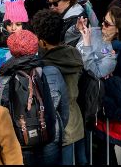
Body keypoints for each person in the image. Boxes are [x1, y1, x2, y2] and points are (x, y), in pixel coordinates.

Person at [0, 29, 68, 165]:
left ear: (11, 49)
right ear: (35, 47)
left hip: (19, 142)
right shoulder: (52, 72)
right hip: (50, 137)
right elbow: (64, 110)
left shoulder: (2, 80)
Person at [30, 9, 85, 165]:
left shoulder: (44, 65)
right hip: (76, 121)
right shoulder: (74, 54)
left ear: (42, 42)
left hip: (57, 125)